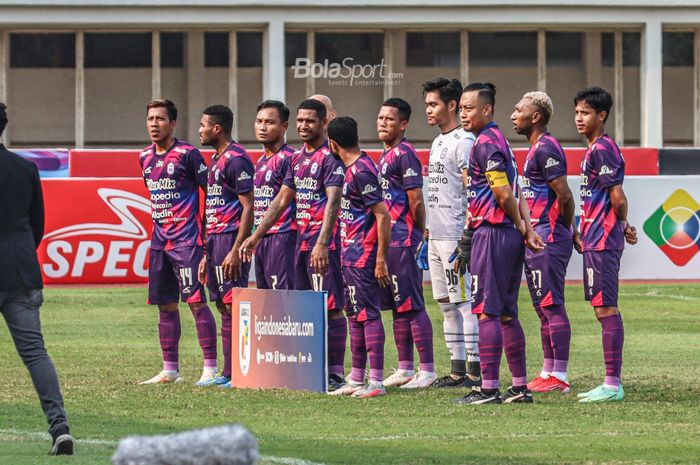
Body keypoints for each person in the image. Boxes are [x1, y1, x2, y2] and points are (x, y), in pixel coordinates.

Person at [240, 99, 347, 391]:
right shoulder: (298, 158)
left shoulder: (330, 156)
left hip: (322, 244)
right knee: (303, 307)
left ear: (324, 123)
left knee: (332, 306)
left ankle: (336, 372)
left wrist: (323, 241)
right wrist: (256, 234)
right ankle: (308, 368)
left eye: (310, 121)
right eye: (300, 120)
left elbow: (334, 201)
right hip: (301, 242)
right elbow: (282, 199)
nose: (303, 126)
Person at [456, 83, 544, 405]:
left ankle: (488, 389)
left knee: (486, 312)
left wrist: (523, 227)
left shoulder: (485, 144)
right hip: (507, 234)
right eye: (461, 108)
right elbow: (518, 192)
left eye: (468, 108)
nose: (463, 113)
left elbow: (505, 194)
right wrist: (526, 229)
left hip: (491, 234)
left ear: (486, 110)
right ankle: (519, 388)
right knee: (507, 313)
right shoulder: (502, 143)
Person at [0, 102, 74, 455]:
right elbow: (37, 224)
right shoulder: (25, 168)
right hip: (21, 270)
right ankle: (60, 428)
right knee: (35, 353)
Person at [138, 99, 219, 386]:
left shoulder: (188, 154)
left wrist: (207, 236)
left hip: (187, 241)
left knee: (196, 302)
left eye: (160, 119)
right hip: (160, 241)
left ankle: (210, 368)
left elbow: (212, 193)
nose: (154, 124)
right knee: (165, 305)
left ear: (172, 123)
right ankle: (170, 369)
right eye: (150, 119)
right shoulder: (144, 157)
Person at [574, 87, 637, 403]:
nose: (579, 119)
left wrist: (622, 224)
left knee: (606, 307)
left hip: (602, 240)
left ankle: (613, 384)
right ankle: (611, 382)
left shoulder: (602, 149)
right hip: (595, 239)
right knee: (602, 308)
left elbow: (618, 196)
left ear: (602, 115)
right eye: (576, 112)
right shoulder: (596, 149)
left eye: (585, 113)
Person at [510, 91, 575, 393]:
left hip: (548, 236)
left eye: (519, 109)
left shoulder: (545, 149)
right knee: (542, 307)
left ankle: (559, 375)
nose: (513, 115)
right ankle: (548, 371)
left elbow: (564, 195)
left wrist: (560, 228)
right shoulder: (537, 148)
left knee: (552, 304)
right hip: (538, 236)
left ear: (535, 117)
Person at [326, 116, 392, 398]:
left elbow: (383, 216)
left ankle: (376, 382)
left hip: (363, 256)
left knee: (368, 315)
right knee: (354, 314)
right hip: (348, 254)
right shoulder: (351, 168)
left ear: (332, 143)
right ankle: (355, 378)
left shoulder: (362, 171)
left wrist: (380, 259)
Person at [422, 77, 480, 388]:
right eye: (427, 105)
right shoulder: (437, 142)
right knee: (445, 303)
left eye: (433, 104)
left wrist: (467, 234)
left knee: (464, 303)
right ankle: (457, 368)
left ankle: (474, 368)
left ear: (452, 105)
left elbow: (472, 190)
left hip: (456, 236)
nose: (428, 110)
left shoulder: (464, 141)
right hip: (437, 237)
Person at [375, 98, 435, 389]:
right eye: (380, 118)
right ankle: (404, 367)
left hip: (404, 239)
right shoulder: (385, 155)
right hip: (389, 241)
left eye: (389, 119)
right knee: (397, 306)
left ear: (403, 124)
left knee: (412, 304)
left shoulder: (405, 154)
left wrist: (419, 232)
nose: (383, 123)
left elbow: (416, 199)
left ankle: (428, 369)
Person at [196, 105, 255, 388]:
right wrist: (207, 254)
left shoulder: (236, 159)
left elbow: (249, 207)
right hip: (214, 240)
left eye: (203, 125)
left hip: (231, 238)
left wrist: (237, 248)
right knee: (222, 304)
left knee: (235, 304)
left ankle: (240, 372)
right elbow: (211, 207)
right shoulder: (214, 160)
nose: (200, 130)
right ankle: (228, 372)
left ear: (217, 128)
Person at [252, 100, 297, 290]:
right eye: (259, 121)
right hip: (263, 237)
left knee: (283, 300)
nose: (262, 127)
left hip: (284, 236)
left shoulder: (291, 158)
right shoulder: (261, 161)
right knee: (266, 300)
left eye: (269, 122)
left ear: (284, 126)